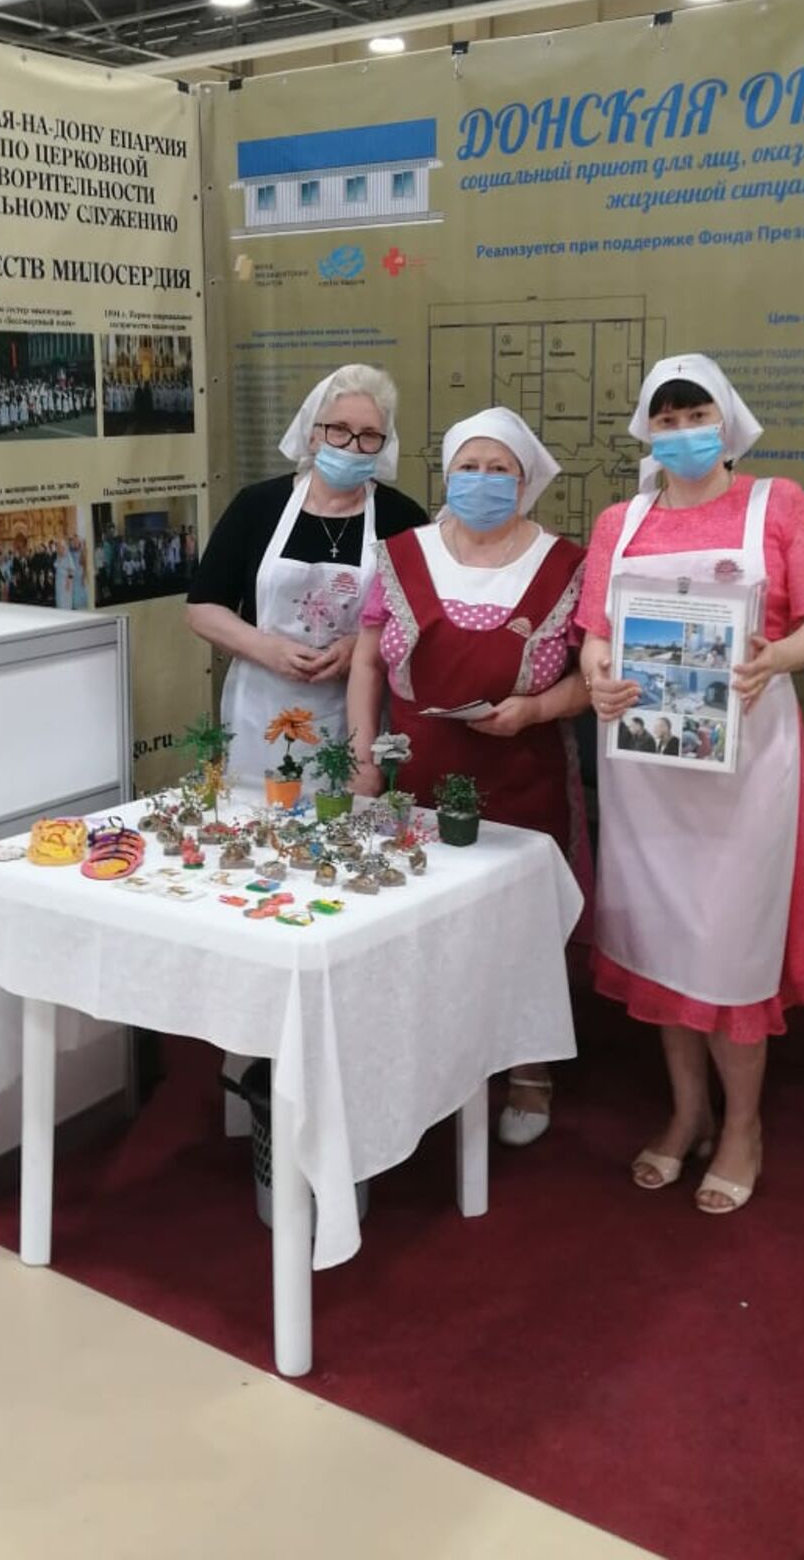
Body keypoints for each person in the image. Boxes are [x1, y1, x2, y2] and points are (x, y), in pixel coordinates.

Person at [579, 353, 804, 1216]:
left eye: (696, 416)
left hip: (746, 768)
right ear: (646, 431)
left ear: (726, 422)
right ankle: (686, 1111)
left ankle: (742, 1127)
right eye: (666, 420)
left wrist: (777, 657)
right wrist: (596, 674)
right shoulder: (619, 521)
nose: (682, 433)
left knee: (727, 949)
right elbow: (596, 631)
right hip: (645, 768)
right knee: (665, 939)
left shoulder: (779, 505)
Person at [348, 405, 590, 1147]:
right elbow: (366, 662)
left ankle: (528, 1067)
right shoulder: (402, 554)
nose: (481, 482)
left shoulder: (566, 564)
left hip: (521, 774)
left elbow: (593, 679)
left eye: (499, 470)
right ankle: (427, 1058)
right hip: (414, 772)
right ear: (446, 475)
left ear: (526, 480)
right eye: (468, 468)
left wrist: (537, 708)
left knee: (521, 928)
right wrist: (362, 756)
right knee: (415, 920)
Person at [186, 364, 426, 774]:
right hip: (262, 707)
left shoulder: (401, 518)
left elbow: (418, 620)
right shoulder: (259, 505)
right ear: (313, 434)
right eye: (339, 430)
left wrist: (360, 647)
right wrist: (268, 649)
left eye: (369, 435)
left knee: (348, 809)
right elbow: (202, 609)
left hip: (356, 712)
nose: (352, 446)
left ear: (383, 445)